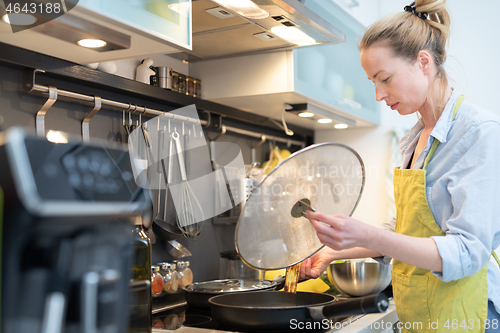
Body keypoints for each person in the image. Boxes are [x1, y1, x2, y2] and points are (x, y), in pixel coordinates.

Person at [299, 1, 500, 332]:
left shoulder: (479, 133)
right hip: (422, 315)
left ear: (423, 62)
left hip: (468, 315)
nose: (379, 94)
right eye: (372, 82)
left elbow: (467, 252)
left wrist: (364, 233)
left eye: (385, 79)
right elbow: (404, 230)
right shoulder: (415, 139)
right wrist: (336, 250)